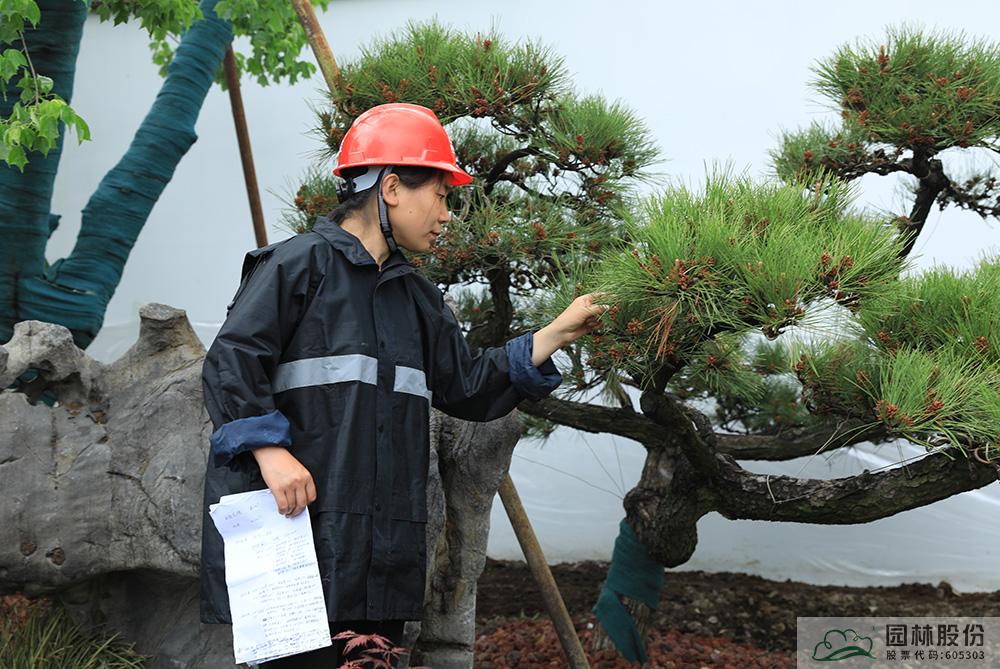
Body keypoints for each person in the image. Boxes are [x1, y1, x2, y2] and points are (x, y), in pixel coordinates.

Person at [199, 103, 608, 667]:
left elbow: (468, 386)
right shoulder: (298, 266)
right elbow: (231, 359)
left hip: (381, 556)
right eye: (441, 195)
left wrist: (557, 332)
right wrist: (270, 451)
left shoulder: (415, 299)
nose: (447, 215)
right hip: (298, 548)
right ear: (391, 187)